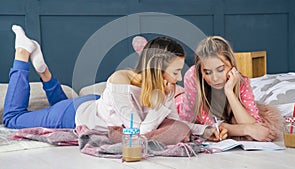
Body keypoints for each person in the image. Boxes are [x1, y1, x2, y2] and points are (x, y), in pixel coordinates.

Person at [3, 25, 226, 145]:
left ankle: (44, 70)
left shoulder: (162, 86)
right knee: (12, 119)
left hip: (96, 107)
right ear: (158, 69)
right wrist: (159, 105)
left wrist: (205, 131)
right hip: (74, 115)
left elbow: (174, 120)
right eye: (176, 72)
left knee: (60, 103)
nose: (178, 79)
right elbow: (138, 131)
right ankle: (22, 52)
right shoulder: (121, 81)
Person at [177, 36, 280, 142]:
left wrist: (229, 92)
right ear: (201, 72)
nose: (215, 78)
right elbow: (204, 123)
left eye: (220, 70)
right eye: (207, 72)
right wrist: (244, 129)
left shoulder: (241, 81)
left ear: (232, 65)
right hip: (179, 105)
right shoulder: (193, 77)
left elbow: (255, 125)